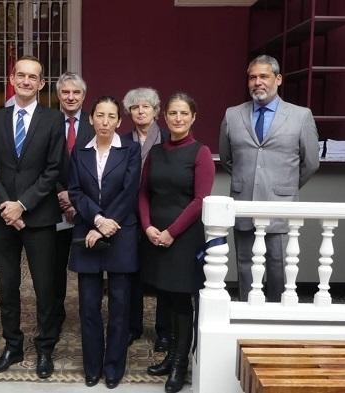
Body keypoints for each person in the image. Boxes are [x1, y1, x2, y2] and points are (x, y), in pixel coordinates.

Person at [0, 55, 65, 379]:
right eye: (22, 75)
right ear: (12, 79)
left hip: (40, 217)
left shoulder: (53, 120)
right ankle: (12, 347)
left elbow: (53, 169)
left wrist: (24, 204)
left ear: (42, 84)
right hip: (4, 219)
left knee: (45, 288)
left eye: (34, 77)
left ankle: (44, 349)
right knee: (8, 287)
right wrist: (7, 206)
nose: (27, 81)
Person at [219, 55, 320, 302]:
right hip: (244, 203)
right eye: (252, 77)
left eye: (263, 76)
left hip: (280, 205)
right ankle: (246, 315)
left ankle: (275, 320)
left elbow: (311, 163)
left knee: (279, 267)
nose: (257, 82)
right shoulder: (233, 115)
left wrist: (285, 187)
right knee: (245, 266)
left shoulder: (300, 116)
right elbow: (226, 158)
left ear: (278, 79)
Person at [139, 93, 215, 393]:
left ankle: (181, 364)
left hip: (182, 237)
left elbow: (200, 200)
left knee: (182, 301)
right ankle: (170, 356)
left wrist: (171, 231)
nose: (178, 119)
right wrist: (147, 227)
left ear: (193, 117)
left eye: (184, 113)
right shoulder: (156, 153)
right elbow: (143, 192)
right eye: (173, 113)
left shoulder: (201, 152)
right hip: (155, 235)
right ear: (165, 116)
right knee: (165, 298)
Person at [68, 96, 141, 389]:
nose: (105, 122)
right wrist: (98, 222)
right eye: (100, 115)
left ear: (119, 122)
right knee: (88, 306)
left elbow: (129, 191)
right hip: (88, 234)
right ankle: (92, 366)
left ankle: (113, 367)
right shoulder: (79, 151)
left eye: (112, 116)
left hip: (122, 233)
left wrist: (107, 224)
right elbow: (75, 191)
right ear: (91, 119)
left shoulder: (131, 150)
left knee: (120, 306)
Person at [121, 87, 171, 352]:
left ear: (156, 111)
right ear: (129, 112)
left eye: (146, 107)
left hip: (160, 215)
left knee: (162, 275)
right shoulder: (122, 141)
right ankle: (132, 326)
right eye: (135, 107)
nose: (140, 111)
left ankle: (163, 331)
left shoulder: (168, 139)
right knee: (133, 274)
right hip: (129, 216)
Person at [52, 72, 95, 334]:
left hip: (85, 208)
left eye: (76, 92)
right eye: (66, 92)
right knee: (53, 268)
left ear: (84, 96)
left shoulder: (94, 126)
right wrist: (61, 196)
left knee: (87, 267)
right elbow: (40, 164)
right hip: (53, 205)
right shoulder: (45, 123)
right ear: (58, 95)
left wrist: (75, 199)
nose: (70, 97)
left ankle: (88, 317)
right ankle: (55, 314)